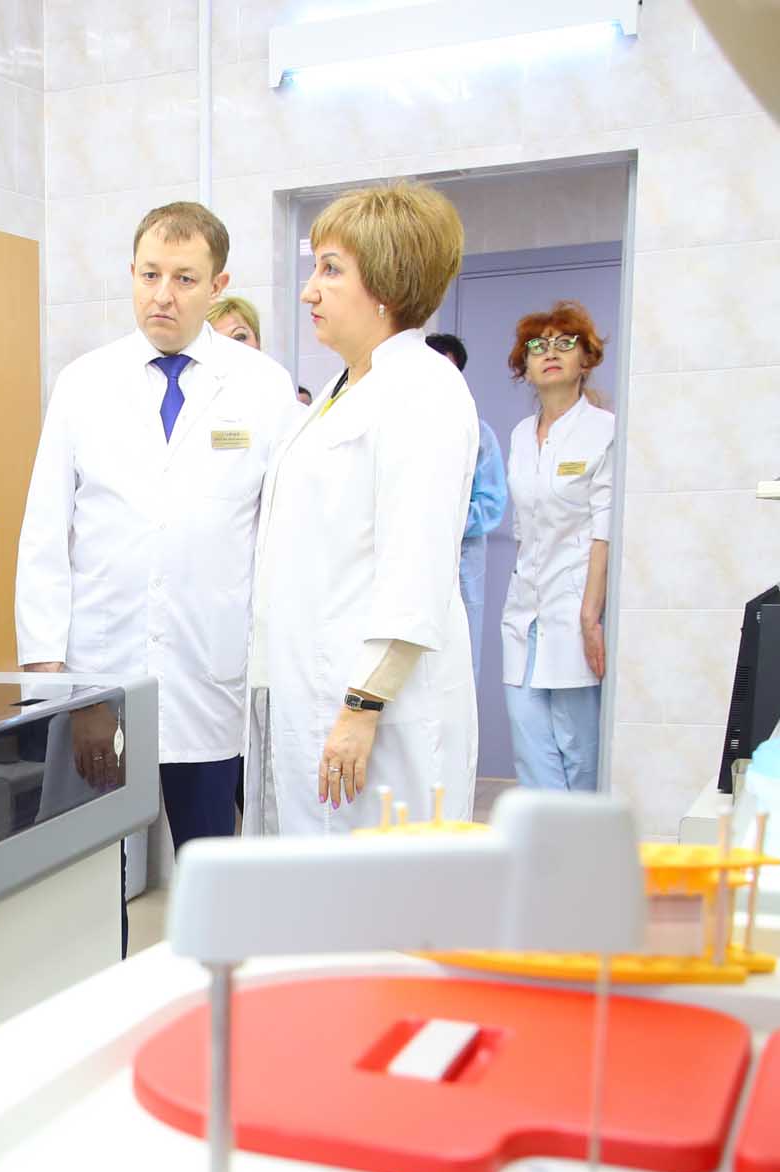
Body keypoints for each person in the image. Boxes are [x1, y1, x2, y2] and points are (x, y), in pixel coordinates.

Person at [17, 202, 296, 851]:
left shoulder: (263, 388)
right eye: (149, 275)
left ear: (218, 285)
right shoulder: (84, 383)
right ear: (132, 274)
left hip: (213, 681)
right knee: (94, 874)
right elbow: (43, 537)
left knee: (210, 862)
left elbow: (283, 545)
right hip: (100, 679)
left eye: (184, 279)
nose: (162, 295)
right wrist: (60, 687)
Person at [249, 180, 478, 835]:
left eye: (330, 269)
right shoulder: (340, 390)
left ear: (386, 284)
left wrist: (362, 704)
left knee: (383, 881)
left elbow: (416, 565)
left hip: (371, 709)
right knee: (320, 877)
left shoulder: (423, 390)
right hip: (312, 693)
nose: (309, 291)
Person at [500, 301, 615, 791]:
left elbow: (604, 528)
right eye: (537, 346)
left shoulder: (605, 430)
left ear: (585, 360)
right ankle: (545, 837)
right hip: (524, 615)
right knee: (530, 748)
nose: (550, 353)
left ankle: (580, 839)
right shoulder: (520, 435)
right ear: (524, 367)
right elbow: (523, 528)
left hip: (575, 612)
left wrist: (590, 616)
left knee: (579, 753)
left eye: (565, 343)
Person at [424, 331, 508, 682]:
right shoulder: (400, 427)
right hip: (411, 557)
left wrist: (440, 519)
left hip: (463, 562)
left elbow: (491, 505)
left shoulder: (478, 432)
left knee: (459, 663)